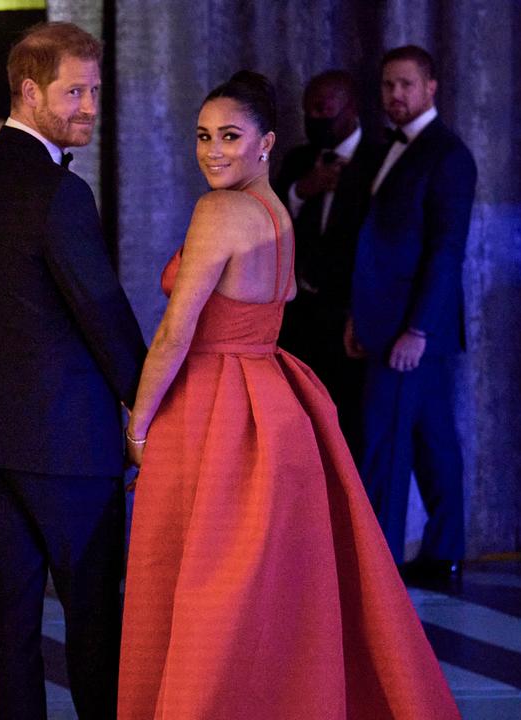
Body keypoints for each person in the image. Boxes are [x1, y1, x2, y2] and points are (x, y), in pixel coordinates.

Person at [118, 70, 459, 719]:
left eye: (230, 136)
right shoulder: (276, 208)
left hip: (216, 406)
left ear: (266, 142)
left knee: (206, 582)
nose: (213, 150)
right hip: (276, 402)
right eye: (202, 136)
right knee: (266, 589)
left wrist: (139, 424)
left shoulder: (218, 210)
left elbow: (175, 330)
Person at [0, 21, 146, 720]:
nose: (90, 104)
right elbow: (103, 313)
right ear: (30, 92)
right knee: (95, 625)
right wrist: (150, 403)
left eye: (94, 89)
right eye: (74, 91)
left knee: (11, 632)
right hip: (66, 446)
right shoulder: (63, 193)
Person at [348, 45, 476, 580]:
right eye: (387, 86)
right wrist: (362, 315)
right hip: (390, 323)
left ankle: (380, 566)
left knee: (387, 444)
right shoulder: (389, 149)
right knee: (430, 441)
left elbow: (447, 250)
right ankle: (443, 551)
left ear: (431, 87)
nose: (395, 95)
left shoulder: (447, 154)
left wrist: (417, 329)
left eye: (405, 84)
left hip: (413, 330)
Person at [273, 69, 384, 453]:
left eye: (324, 111)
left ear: (350, 109)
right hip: (300, 318)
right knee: (299, 428)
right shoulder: (299, 160)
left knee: (350, 430)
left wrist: (364, 312)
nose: (314, 121)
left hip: (350, 319)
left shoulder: (381, 158)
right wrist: (304, 189)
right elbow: (268, 220)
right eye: (308, 113)